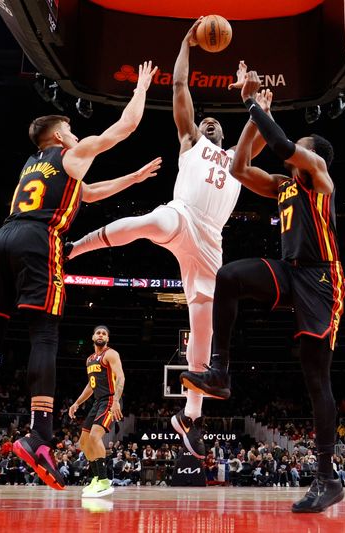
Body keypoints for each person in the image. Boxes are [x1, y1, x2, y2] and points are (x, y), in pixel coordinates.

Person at [66, 20, 265, 460]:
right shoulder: (190, 139)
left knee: (204, 335)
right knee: (146, 222)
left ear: (224, 135)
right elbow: (178, 86)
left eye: (215, 122)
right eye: (206, 120)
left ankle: (188, 417)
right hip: (183, 216)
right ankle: (78, 246)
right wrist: (185, 43)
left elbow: (261, 132)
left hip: (212, 242)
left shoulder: (236, 159)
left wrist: (253, 101)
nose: (209, 123)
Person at [0, 60, 158, 491]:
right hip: (38, 238)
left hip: (1, 239)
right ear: (57, 136)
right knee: (44, 333)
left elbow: (87, 193)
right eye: (69, 129)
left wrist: (134, 178)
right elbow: (124, 127)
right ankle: (39, 435)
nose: (75, 133)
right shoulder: (69, 153)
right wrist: (141, 87)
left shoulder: (33, 166)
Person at [181, 69, 345, 513]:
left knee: (316, 378)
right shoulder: (283, 185)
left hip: (320, 280)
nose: (294, 153)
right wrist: (258, 115)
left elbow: (282, 145)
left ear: (310, 156)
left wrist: (255, 104)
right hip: (289, 270)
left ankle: (327, 477)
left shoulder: (319, 175)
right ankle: (220, 373)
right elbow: (238, 167)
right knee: (228, 276)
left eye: (300, 148)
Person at [68, 326, 125, 498]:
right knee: (84, 443)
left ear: (107, 338)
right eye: (98, 333)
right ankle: (95, 478)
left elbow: (121, 377)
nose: (101, 335)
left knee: (94, 437)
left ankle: (104, 481)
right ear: (93, 336)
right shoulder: (90, 359)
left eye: (104, 333)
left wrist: (116, 401)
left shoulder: (111, 354)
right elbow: (90, 386)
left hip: (109, 399)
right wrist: (77, 403)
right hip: (97, 401)